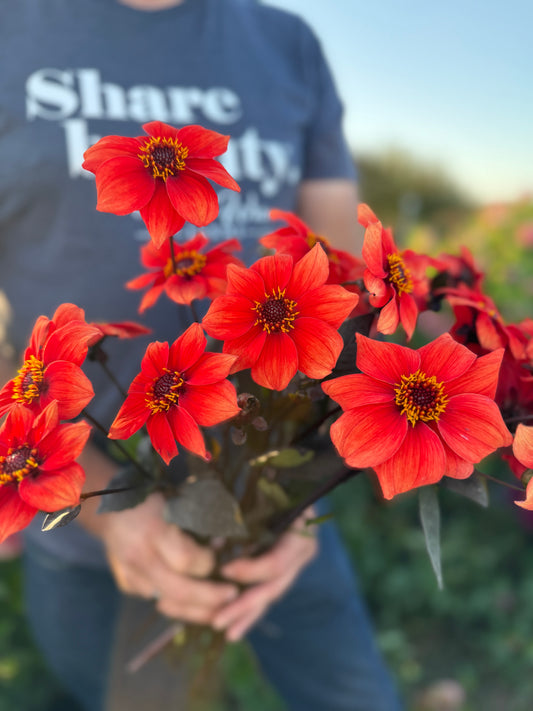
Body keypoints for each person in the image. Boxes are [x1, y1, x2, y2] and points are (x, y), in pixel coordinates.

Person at [0, 0, 403, 709]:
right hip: (90, 528)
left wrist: (302, 488)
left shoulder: (289, 44)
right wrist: (102, 501)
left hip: (274, 499)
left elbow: (343, 284)